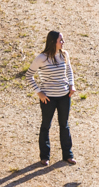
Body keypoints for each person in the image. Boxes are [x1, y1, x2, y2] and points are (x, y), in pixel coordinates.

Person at [27, 30, 76, 165]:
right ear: (53, 42)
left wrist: (72, 85)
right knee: (45, 126)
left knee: (64, 126)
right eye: (61, 40)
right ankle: (45, 157)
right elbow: (29, 75)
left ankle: (68, 155)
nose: (63, 42)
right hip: (48, 98)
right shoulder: (41, 58)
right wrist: (39, 92)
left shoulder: (64, 54)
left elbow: (69, 70)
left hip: (64, 96)